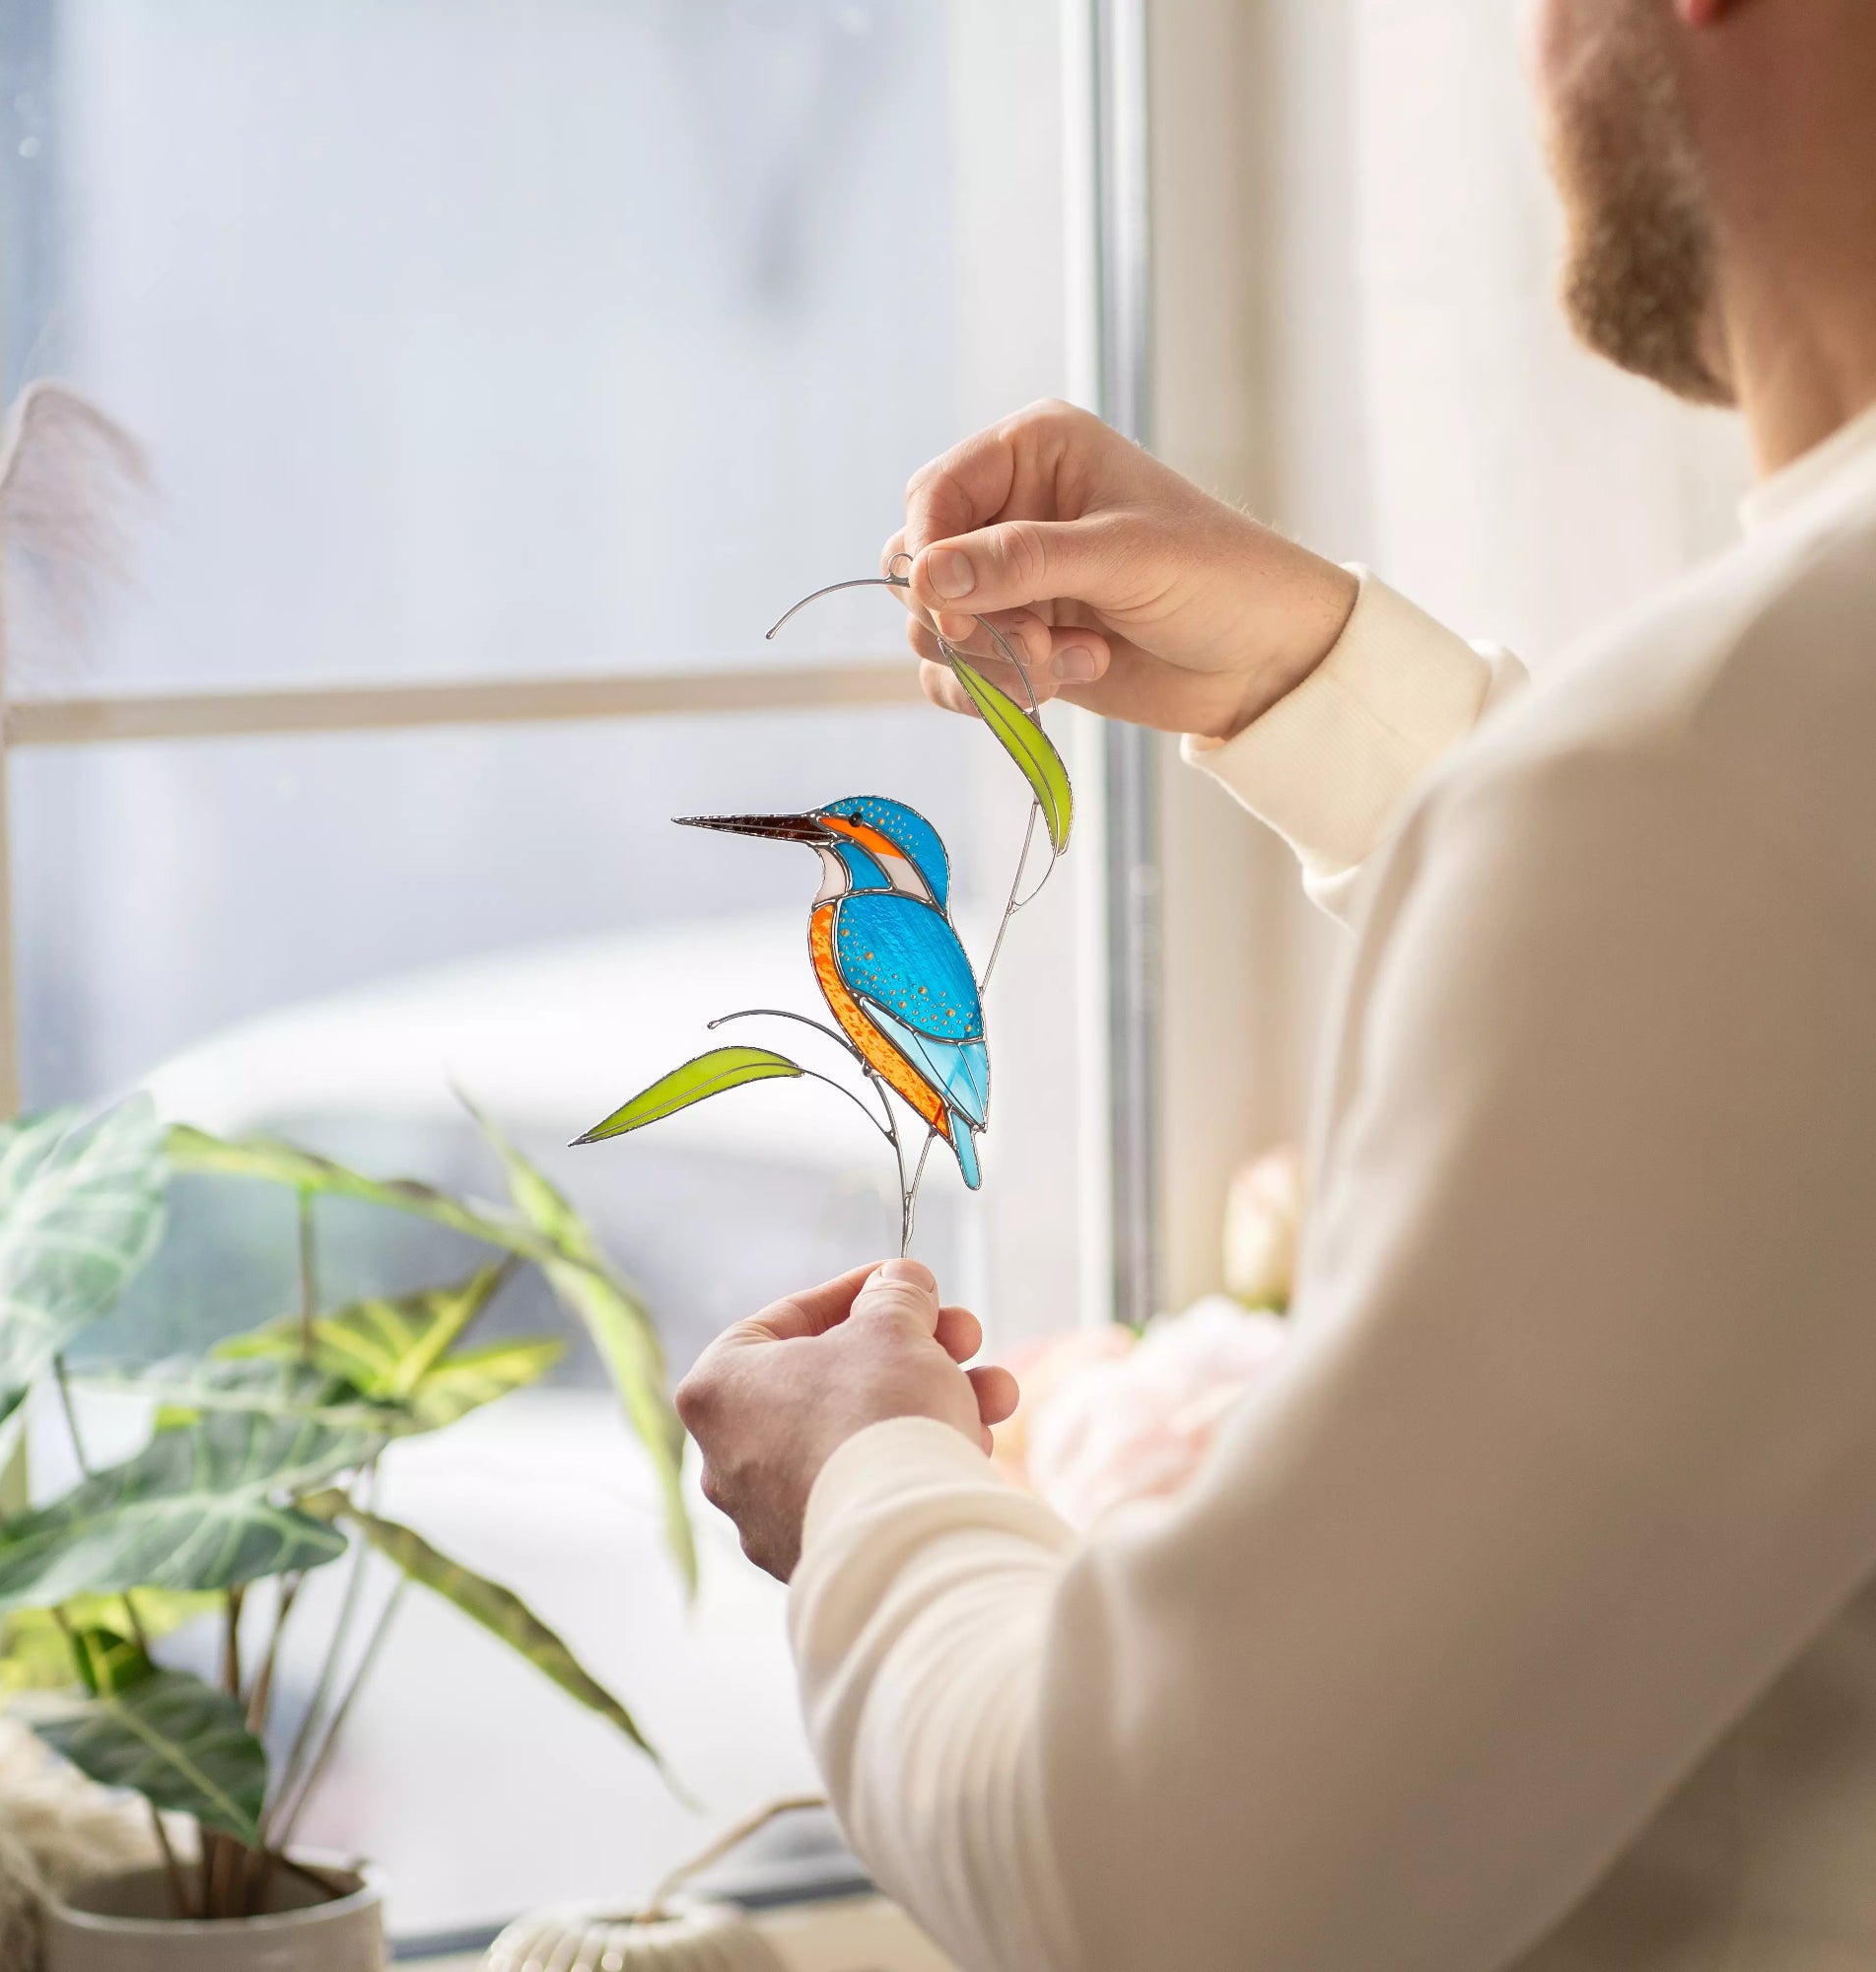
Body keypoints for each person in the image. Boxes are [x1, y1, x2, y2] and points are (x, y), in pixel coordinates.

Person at [674, 1, 1876, 1965]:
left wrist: (869, 1479)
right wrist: (1314, 684)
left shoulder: (1711, 789)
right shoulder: (1758, 772)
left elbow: (1153, 1880)